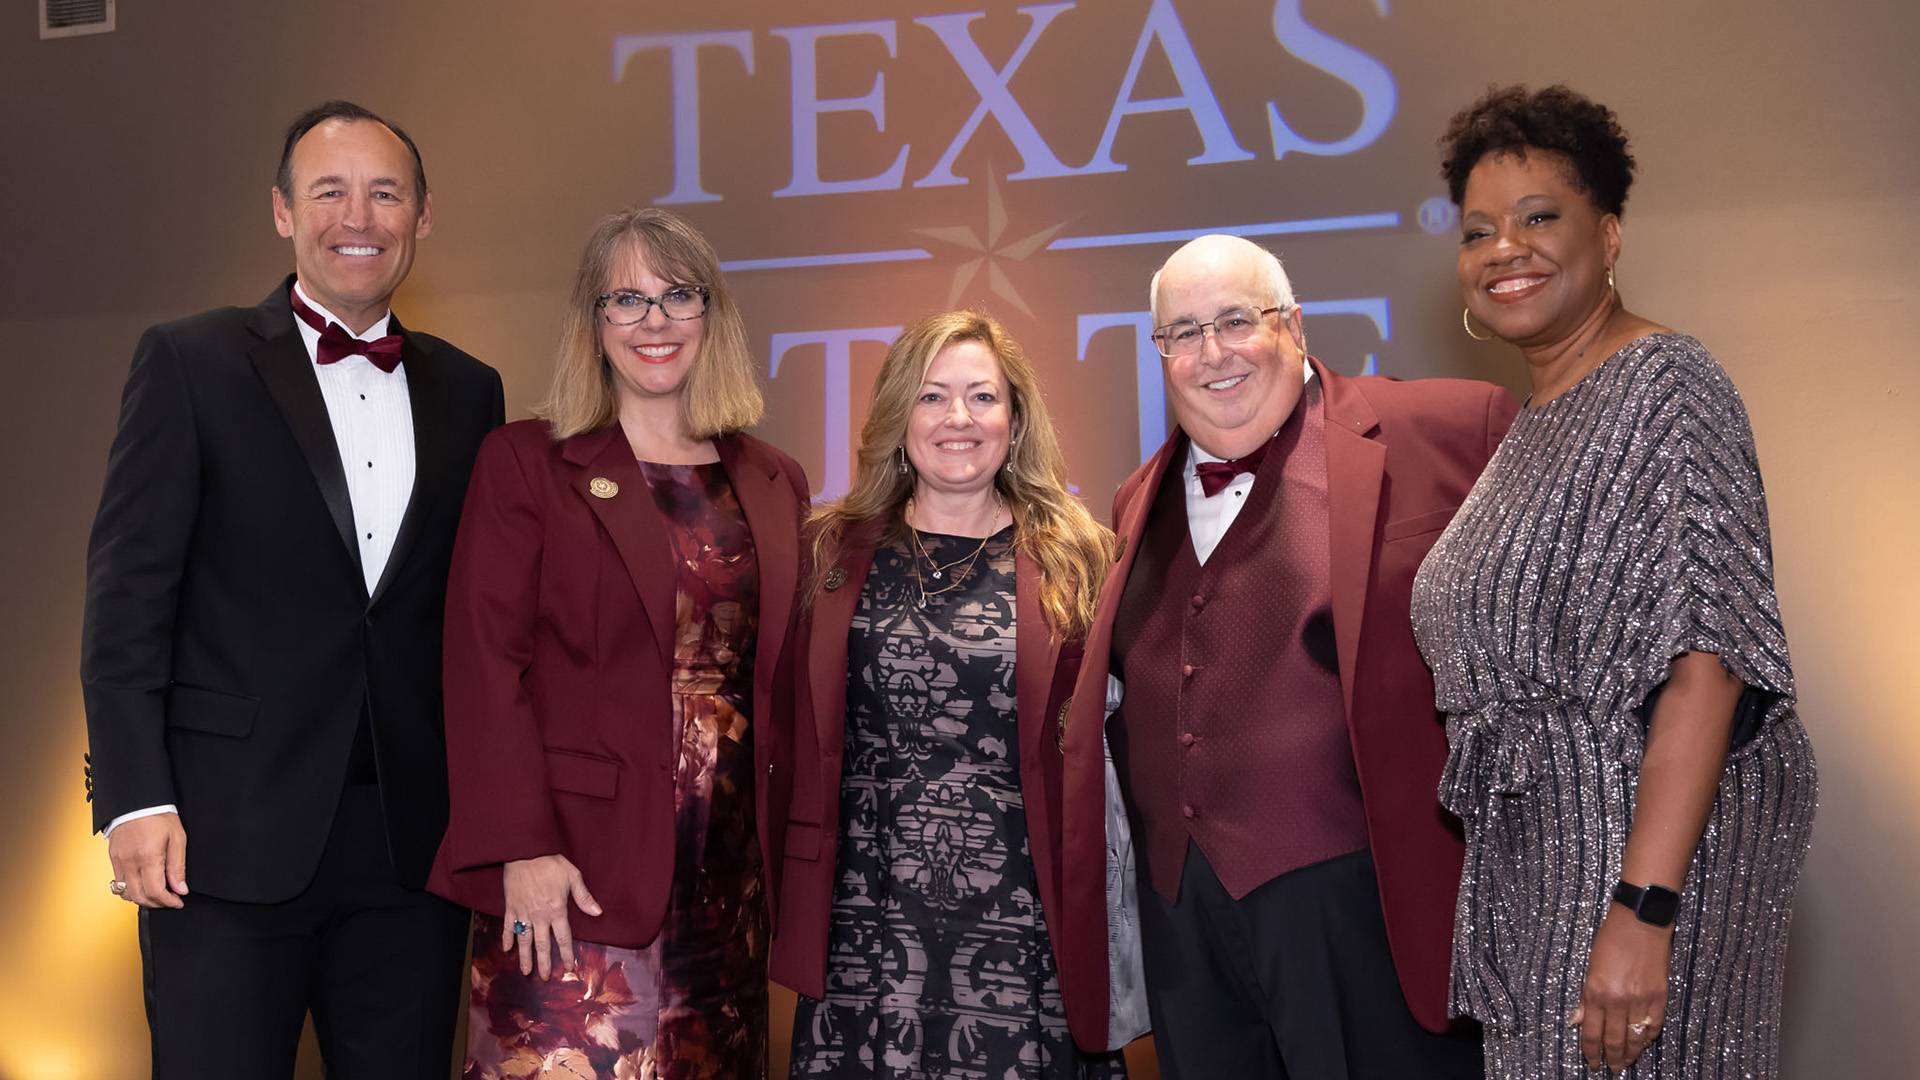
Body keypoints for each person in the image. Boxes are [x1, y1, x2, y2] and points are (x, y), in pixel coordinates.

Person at [79, 100, 503, 1076]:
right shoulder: (190, 362)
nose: (358, 215)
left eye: (385, 192)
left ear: (423, 217)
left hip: (409, 854)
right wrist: (133, 797)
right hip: (221, 843)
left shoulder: (470, 389)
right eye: (330, 191)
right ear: (282, 212)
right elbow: (127, 601)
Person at [1410, 84, 1819, 1079]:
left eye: (1539, 217)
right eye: (1478, 232)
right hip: (1538, 877)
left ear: (1611, 232)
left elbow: (1707, 663)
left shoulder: (1665, 385)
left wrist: (1645, 911)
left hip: (1635, 875)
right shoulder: (1530, 425)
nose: (1504, 248)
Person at [1052, 234, 1518, 1078]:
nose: (1211, 353)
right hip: (1185, 923)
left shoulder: (1448, 430)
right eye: (1183, 333)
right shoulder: (1132, 498)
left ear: (1295, 326)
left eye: (1236, 320)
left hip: (1363, 906)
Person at [427, 207, 809, 1079]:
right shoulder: (525, 463)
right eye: (625, 300)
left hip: (730, 883)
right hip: (570, 880)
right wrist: (520, 847)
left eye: (679, 295)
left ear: (713, 315)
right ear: (592, 324)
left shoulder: (773, 477)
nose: (655, 322)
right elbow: (484, 665)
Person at [773, 310, 1127, 1079]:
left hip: (1022, 924)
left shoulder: (1083, 556)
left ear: (1016, 417)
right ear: (898, 419)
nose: (958, 419)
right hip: (863, 922)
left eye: (982, 397)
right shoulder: (828, 549)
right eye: (932, 397)